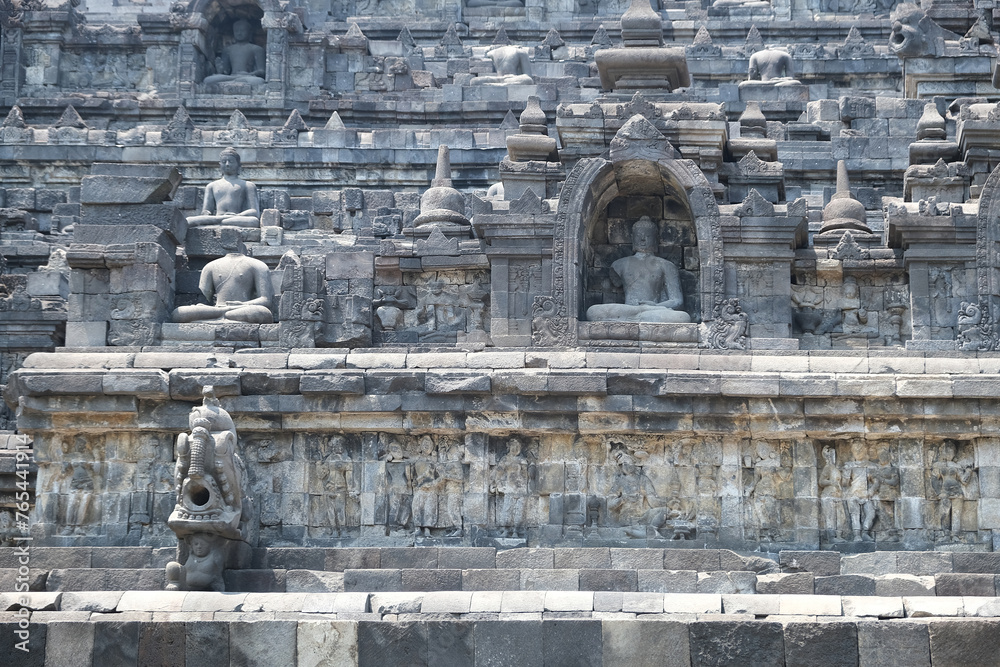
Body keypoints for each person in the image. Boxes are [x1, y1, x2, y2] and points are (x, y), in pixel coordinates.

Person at [586, 217, 691, 323]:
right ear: (632, 237)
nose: (643, 239)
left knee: (683, 317)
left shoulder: (666, 265)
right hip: (630, 309)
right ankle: (639, 315)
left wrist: (655, 306)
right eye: (639, 236)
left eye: (648, 236)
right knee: (593, 312)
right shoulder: (619, 264)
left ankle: (636, 317)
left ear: (656, 238)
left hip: (653, 310)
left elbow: (677, 300)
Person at [172, 237, 274, 324]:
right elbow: (207, 294)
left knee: (263, 313)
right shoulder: (210, 266)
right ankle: (225, 314)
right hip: (218, 309)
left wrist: (243, 305)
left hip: (243, 309)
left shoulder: (258, 265)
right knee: (179, 313)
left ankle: (219, 317)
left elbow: (265, 299)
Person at [187, 148, 260, 228]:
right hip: (218, 217)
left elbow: (254, 212)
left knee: (253, 221)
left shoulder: (248, 185)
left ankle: (221, 221)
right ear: (220, 165)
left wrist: (238, 215)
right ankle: (223, 220)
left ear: (238, 165)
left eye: (231, 161)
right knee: (188, 220)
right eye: (224, 162)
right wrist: (206, 213)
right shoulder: (211, 186)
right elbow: (207, 210)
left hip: (236, 217)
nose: (227, 164)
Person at [203, 19, 266, 87]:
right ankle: (235, 81)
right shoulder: (227, 50)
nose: (239, 33)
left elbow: (262, 71)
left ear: (249, 32)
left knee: (258, 81)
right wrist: (220, 69)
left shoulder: (257, 49)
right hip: (231, 77)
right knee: (207, 80)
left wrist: (249, 74)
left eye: (242, 30)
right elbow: (226, 72)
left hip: (248, 77)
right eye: (236, 31)